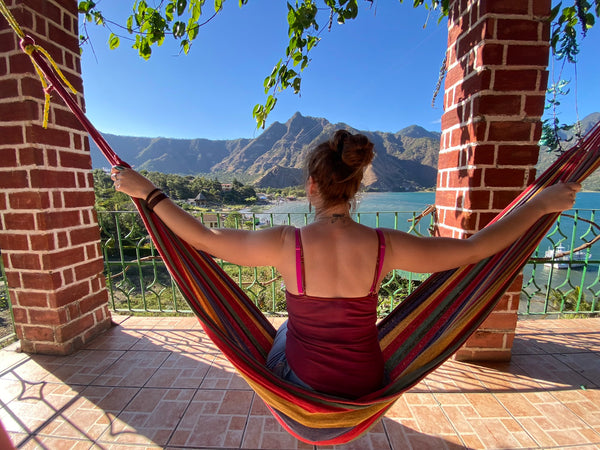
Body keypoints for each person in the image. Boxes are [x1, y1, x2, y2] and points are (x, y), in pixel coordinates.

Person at [111, 130, 580, 398]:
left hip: (303, 383)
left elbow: (203, 238)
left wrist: (146, 192)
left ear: (311, 186)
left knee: (281, 331)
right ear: (357, 186)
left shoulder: (284, 244)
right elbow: (477, 248)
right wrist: (539, 205)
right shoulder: (385, 246)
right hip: (367, 381)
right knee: (301, 331)